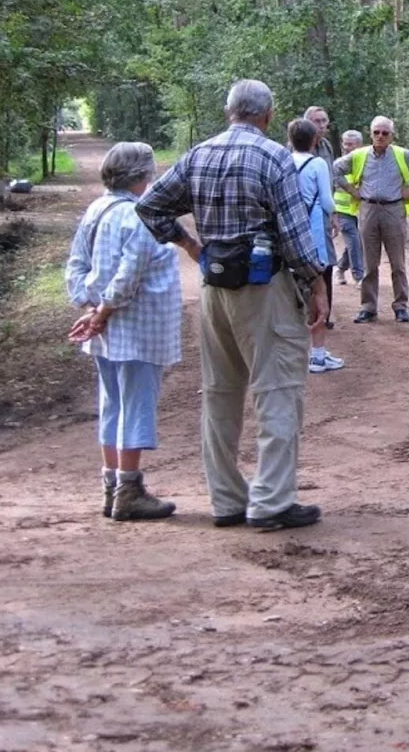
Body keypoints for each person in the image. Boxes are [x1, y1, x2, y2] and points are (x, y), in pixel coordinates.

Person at [136, 79, 327, 531]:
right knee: (277, 388)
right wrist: (315, 284)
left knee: (220, 393)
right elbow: (296, 237)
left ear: (229, 112)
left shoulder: (199, 154)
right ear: (268, 114)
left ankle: (226, 499)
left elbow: (149, 207)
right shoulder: (273, 158)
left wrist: (190, 244)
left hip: (214, 287)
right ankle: (272, 501)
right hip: (264, 289)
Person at [65, 142, 182, 522]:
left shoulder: (97, 210)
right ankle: (128, 490)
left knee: (112, 403)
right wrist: (101, 312)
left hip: (106, 329)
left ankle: (112, 486)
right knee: (135, 404)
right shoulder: (139, 215)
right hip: (136, 327)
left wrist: (90, 307)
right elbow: (128, 276)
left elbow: (77, 265)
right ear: (142, 176)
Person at [338, 115, 409, 324]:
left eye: (385, 133)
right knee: (369, 263)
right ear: (371, 134)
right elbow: (335, 168)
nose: (380, 136)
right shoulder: (359, 155)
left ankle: (401, 306)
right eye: (376, 132)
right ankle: (368, 307)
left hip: (394, 209)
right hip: (368, 209)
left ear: (392, 136)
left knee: (398, 263)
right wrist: (350, 190)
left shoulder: (402, 155)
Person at [289, 117, 343, 374]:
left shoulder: (285, 160)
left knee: (292, 292)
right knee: (317, 288)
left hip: (289, 232)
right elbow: (326, 199)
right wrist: (334, 218)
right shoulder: (318, 163)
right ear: (314, 140)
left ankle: (297, 353)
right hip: (314, 231)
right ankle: (318, 355)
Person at [332, 130, 364, 285]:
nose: (346, 147)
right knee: (354, 241)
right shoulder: (338, 165)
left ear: (360, 146)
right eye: (344, 143)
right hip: (342, 210)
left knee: (357, 242)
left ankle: (340, 268)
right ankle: (359, 276)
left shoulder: (365, 163)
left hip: (360, 210)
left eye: (350, 144)